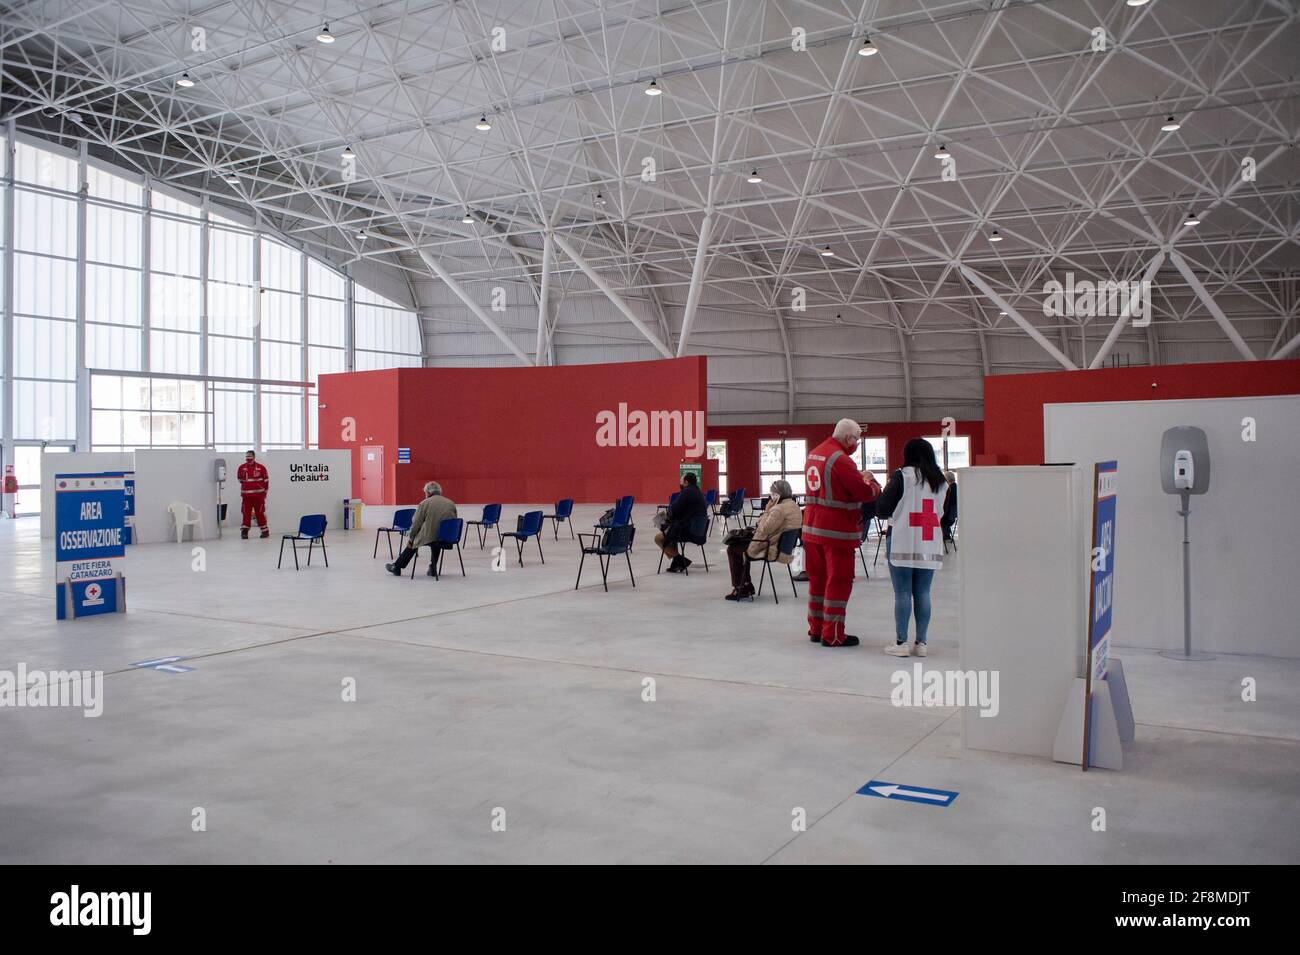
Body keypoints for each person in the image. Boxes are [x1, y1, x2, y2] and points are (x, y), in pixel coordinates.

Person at [802, 419, 880, 647]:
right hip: (836, 533)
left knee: (817, 581)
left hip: (812, 528)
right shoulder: (841, 460)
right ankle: (834, 634)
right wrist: (872, 482)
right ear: (849, 438)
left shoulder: (814, 453)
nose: (856, 445)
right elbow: (863, 492)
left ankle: (816, 628)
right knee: (839, 581)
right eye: (857, 440)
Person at [876, 439, 949, 657]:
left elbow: (881, 509)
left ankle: (901, 643)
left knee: (903, 592)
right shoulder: (941, 481)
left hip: (902, 540)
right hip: (929, 541)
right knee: (924, 592)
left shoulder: (902, 477)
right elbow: (941, 513)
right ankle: (922, 643)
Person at [724, 480, 802, 600]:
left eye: (772, 494)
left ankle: (741, 587)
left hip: (772, 548)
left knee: (733, 549)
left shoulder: (778, 510)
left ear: (777, 495)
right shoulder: (795, 507)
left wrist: (767, 511)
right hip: (783, 548)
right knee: (741, 547)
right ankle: (746, 585)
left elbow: (764, 529)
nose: (771, 497)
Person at [386, 481, 458, 576]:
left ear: (427, 492)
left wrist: (411, 538)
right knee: (438, 537)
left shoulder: (425, 503)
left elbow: (416, 523)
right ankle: (433, 568)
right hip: (448, 537)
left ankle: (397, 567)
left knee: (414, 541)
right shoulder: (450, 503)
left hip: (430, 536)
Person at [656, 471, 707, 573]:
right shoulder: (698, 491)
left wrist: (669, 514)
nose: (680, 483)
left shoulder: (687, 491)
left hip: (690, 531)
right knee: (671, 530)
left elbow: (675, 508)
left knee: (659, 538)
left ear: (686, 482)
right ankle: (678, 561)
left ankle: (679, 560)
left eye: (681, 481)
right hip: (699, 530)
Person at [237, 449, 270, 539]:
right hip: (246, 497)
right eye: (247, 456)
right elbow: (240, 479)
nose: (248, 458)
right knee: (246, 513)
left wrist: (264, 493)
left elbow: (266, 481)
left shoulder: (261, 468)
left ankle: (265, 531)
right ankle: (244, 532)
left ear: (254, 457)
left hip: (259, 496)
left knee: (260, 513)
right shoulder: (241, 468)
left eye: (250, 456)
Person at [941, 469, 958, 544]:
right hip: (954, 516)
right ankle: (946, 534)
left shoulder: (949, 490)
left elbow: (945, 505)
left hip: (947, 518)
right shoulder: (957, 488)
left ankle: (944, 535)